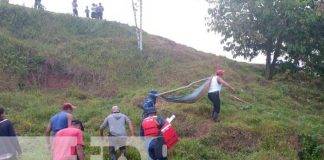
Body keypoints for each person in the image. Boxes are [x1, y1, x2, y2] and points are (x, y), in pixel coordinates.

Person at [140, 91, 167, 160]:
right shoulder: (158, 118)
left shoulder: (143, 121)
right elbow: (166, 127)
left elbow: (141, 135)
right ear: (155, 112)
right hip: (158, 142)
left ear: (148, 114)